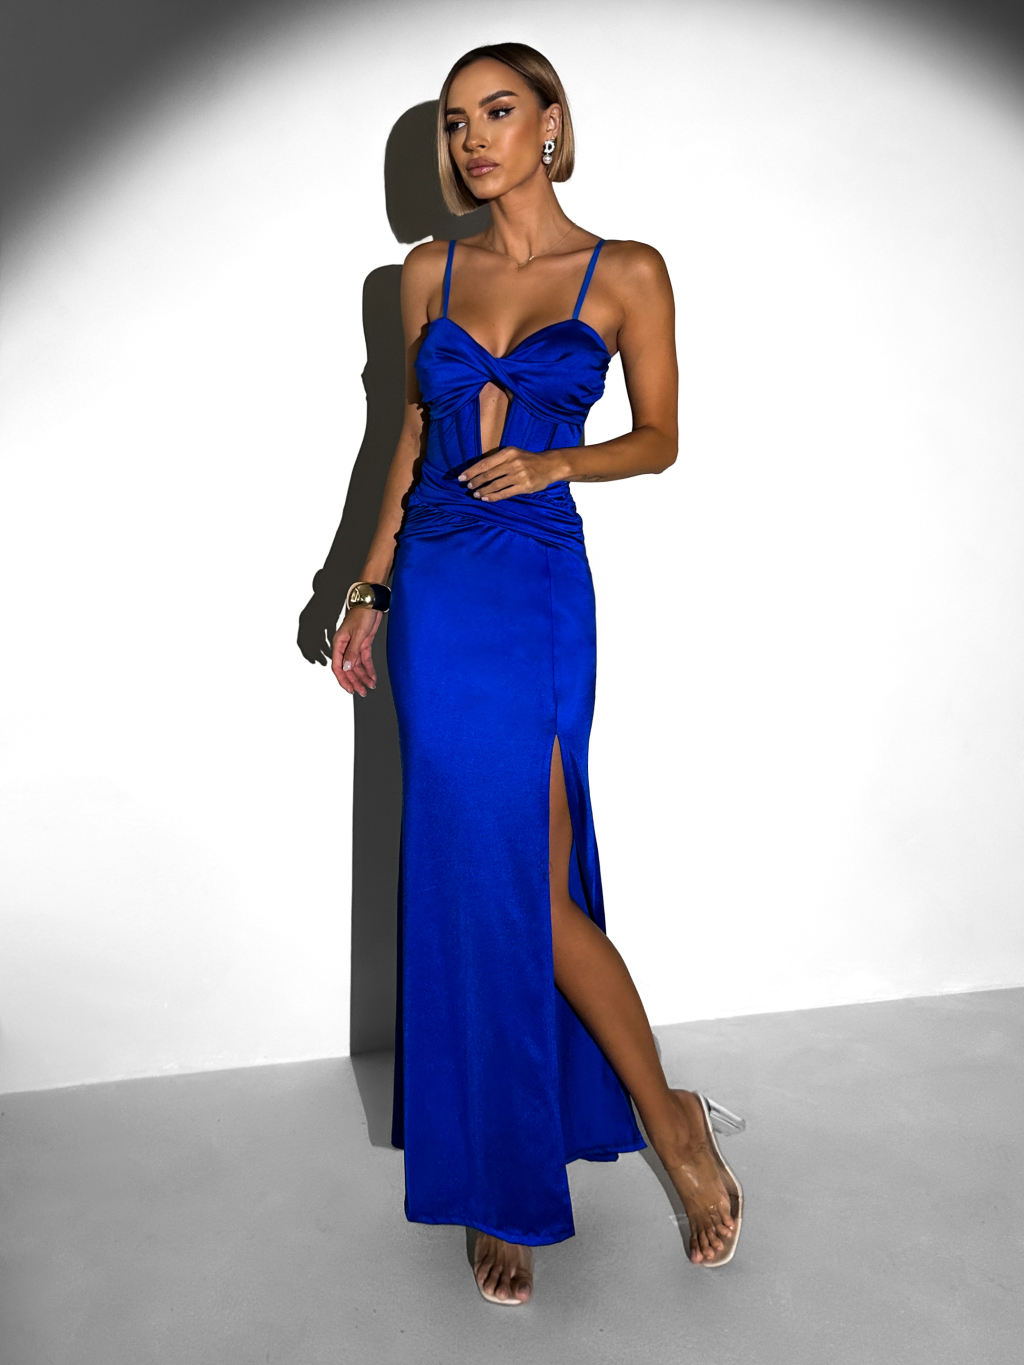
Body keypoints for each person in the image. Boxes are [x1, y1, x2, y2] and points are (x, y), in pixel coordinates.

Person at [330, 42, 744, 1305]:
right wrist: (368, 586)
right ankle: (501, 1171)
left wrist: (561, 462)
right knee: (474, 877)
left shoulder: (627, 271)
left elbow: (661, 438)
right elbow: (407, 436)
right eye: (457, 121)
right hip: (438, 591)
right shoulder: (425, 273)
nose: (474, 139)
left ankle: (669, 1121)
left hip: (538, 584)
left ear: (552, 123)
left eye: (498, 112)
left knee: (532, 877)